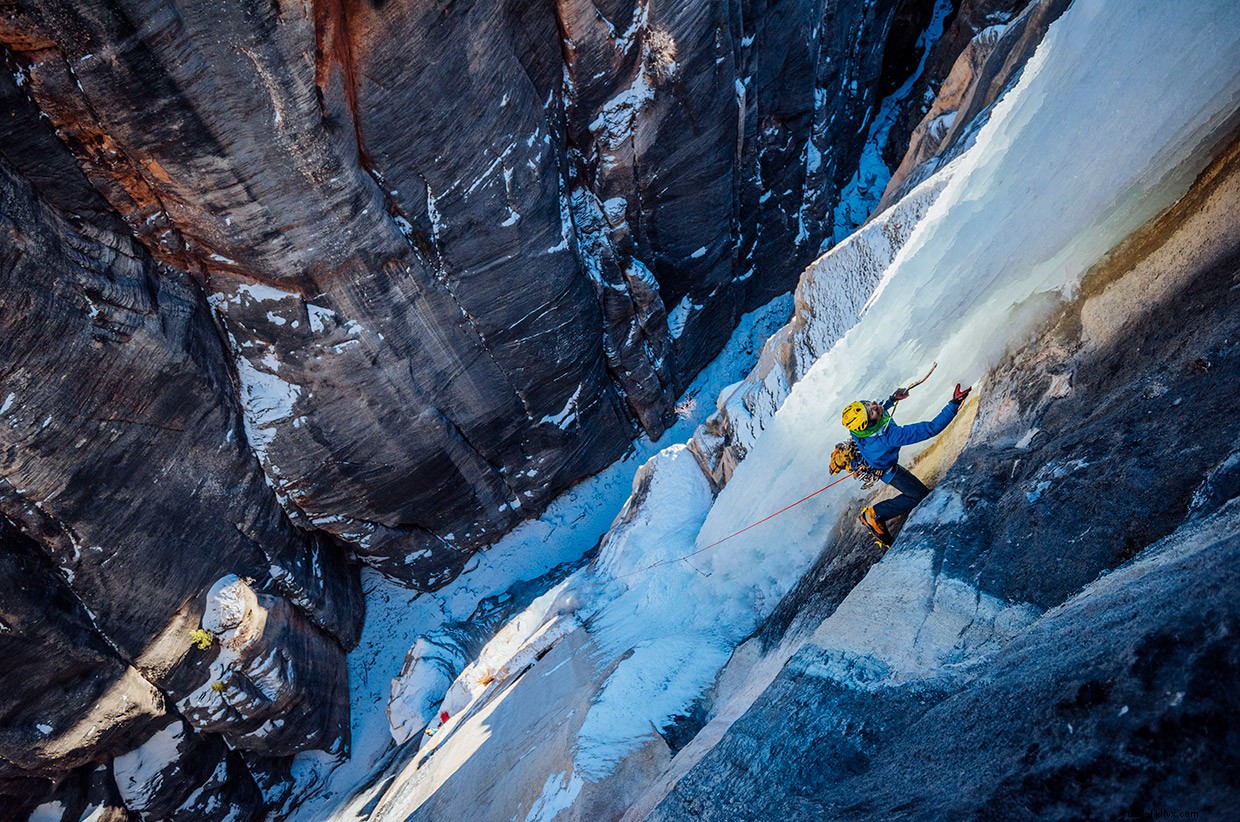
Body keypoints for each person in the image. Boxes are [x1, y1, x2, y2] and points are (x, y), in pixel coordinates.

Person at [839, 382, 971, 546]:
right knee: (919, 496)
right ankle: (875, 514)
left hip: (873, 460)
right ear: (869, 424)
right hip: (887, 470)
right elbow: (931, 428)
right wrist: (954, 403)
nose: (873, 405)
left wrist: (891, 400)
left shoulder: (860, 429)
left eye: (867, 404)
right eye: (871, 410)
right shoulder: (890, 436)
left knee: (917, 492)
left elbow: (875, 412)